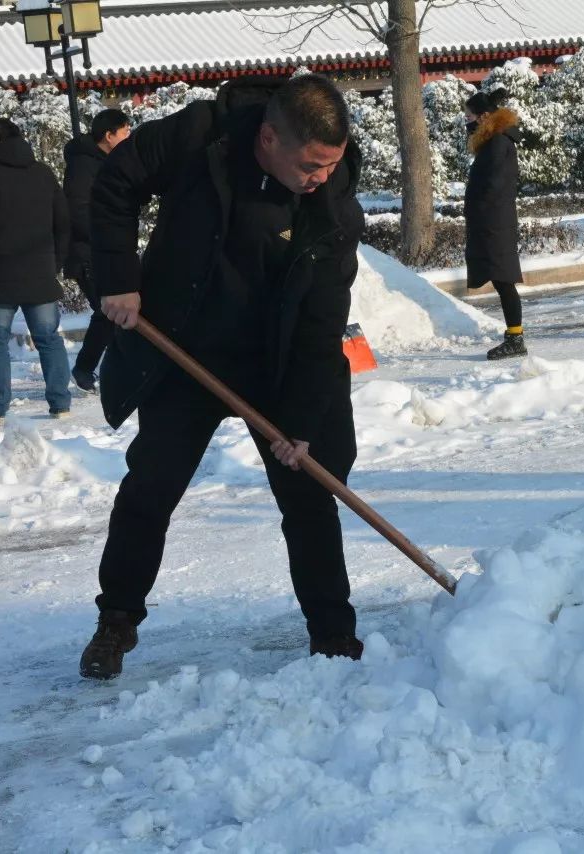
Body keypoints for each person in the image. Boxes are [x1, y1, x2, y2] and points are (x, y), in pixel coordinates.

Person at [79, 74, 366, 679]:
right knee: (149, 488)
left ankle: (334, 634)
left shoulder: (332, 203)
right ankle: (116, 621)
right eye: (311, 164)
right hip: (185, 351)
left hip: (279, 365)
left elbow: (322, 325)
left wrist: (304, 423)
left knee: (311, 491)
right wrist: (118, 278)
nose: (321, 177)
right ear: (268, 137)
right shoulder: (199, 136)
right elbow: (116, 184)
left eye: (331, 164)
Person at [0, 116, 71, 423]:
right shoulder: (43, 173)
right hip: (40, 271)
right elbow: (62, 222)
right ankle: (61, 403)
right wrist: (55, 261)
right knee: (49, 337)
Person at [64, 109, 132, 393]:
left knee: (113, 314)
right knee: (109, 312)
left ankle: (99, 368)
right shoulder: (83, 166)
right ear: (109, 135)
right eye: (125, 131)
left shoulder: (106, 162)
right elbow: (79, 211)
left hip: (106, 250)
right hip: (89, 253)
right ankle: (86, 368)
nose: (129, 137)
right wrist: (107, 236)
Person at [464, 88, 527, 360]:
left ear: (484, 116)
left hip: (495, 221)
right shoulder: (493, 142)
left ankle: (515, 337)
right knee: (502, 278)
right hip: (492, 219)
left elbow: (494, 184)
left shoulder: (499, 143)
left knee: (504, 279)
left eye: (469, 116)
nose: (467, 122)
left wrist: (478, 206)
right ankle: (514, 335)